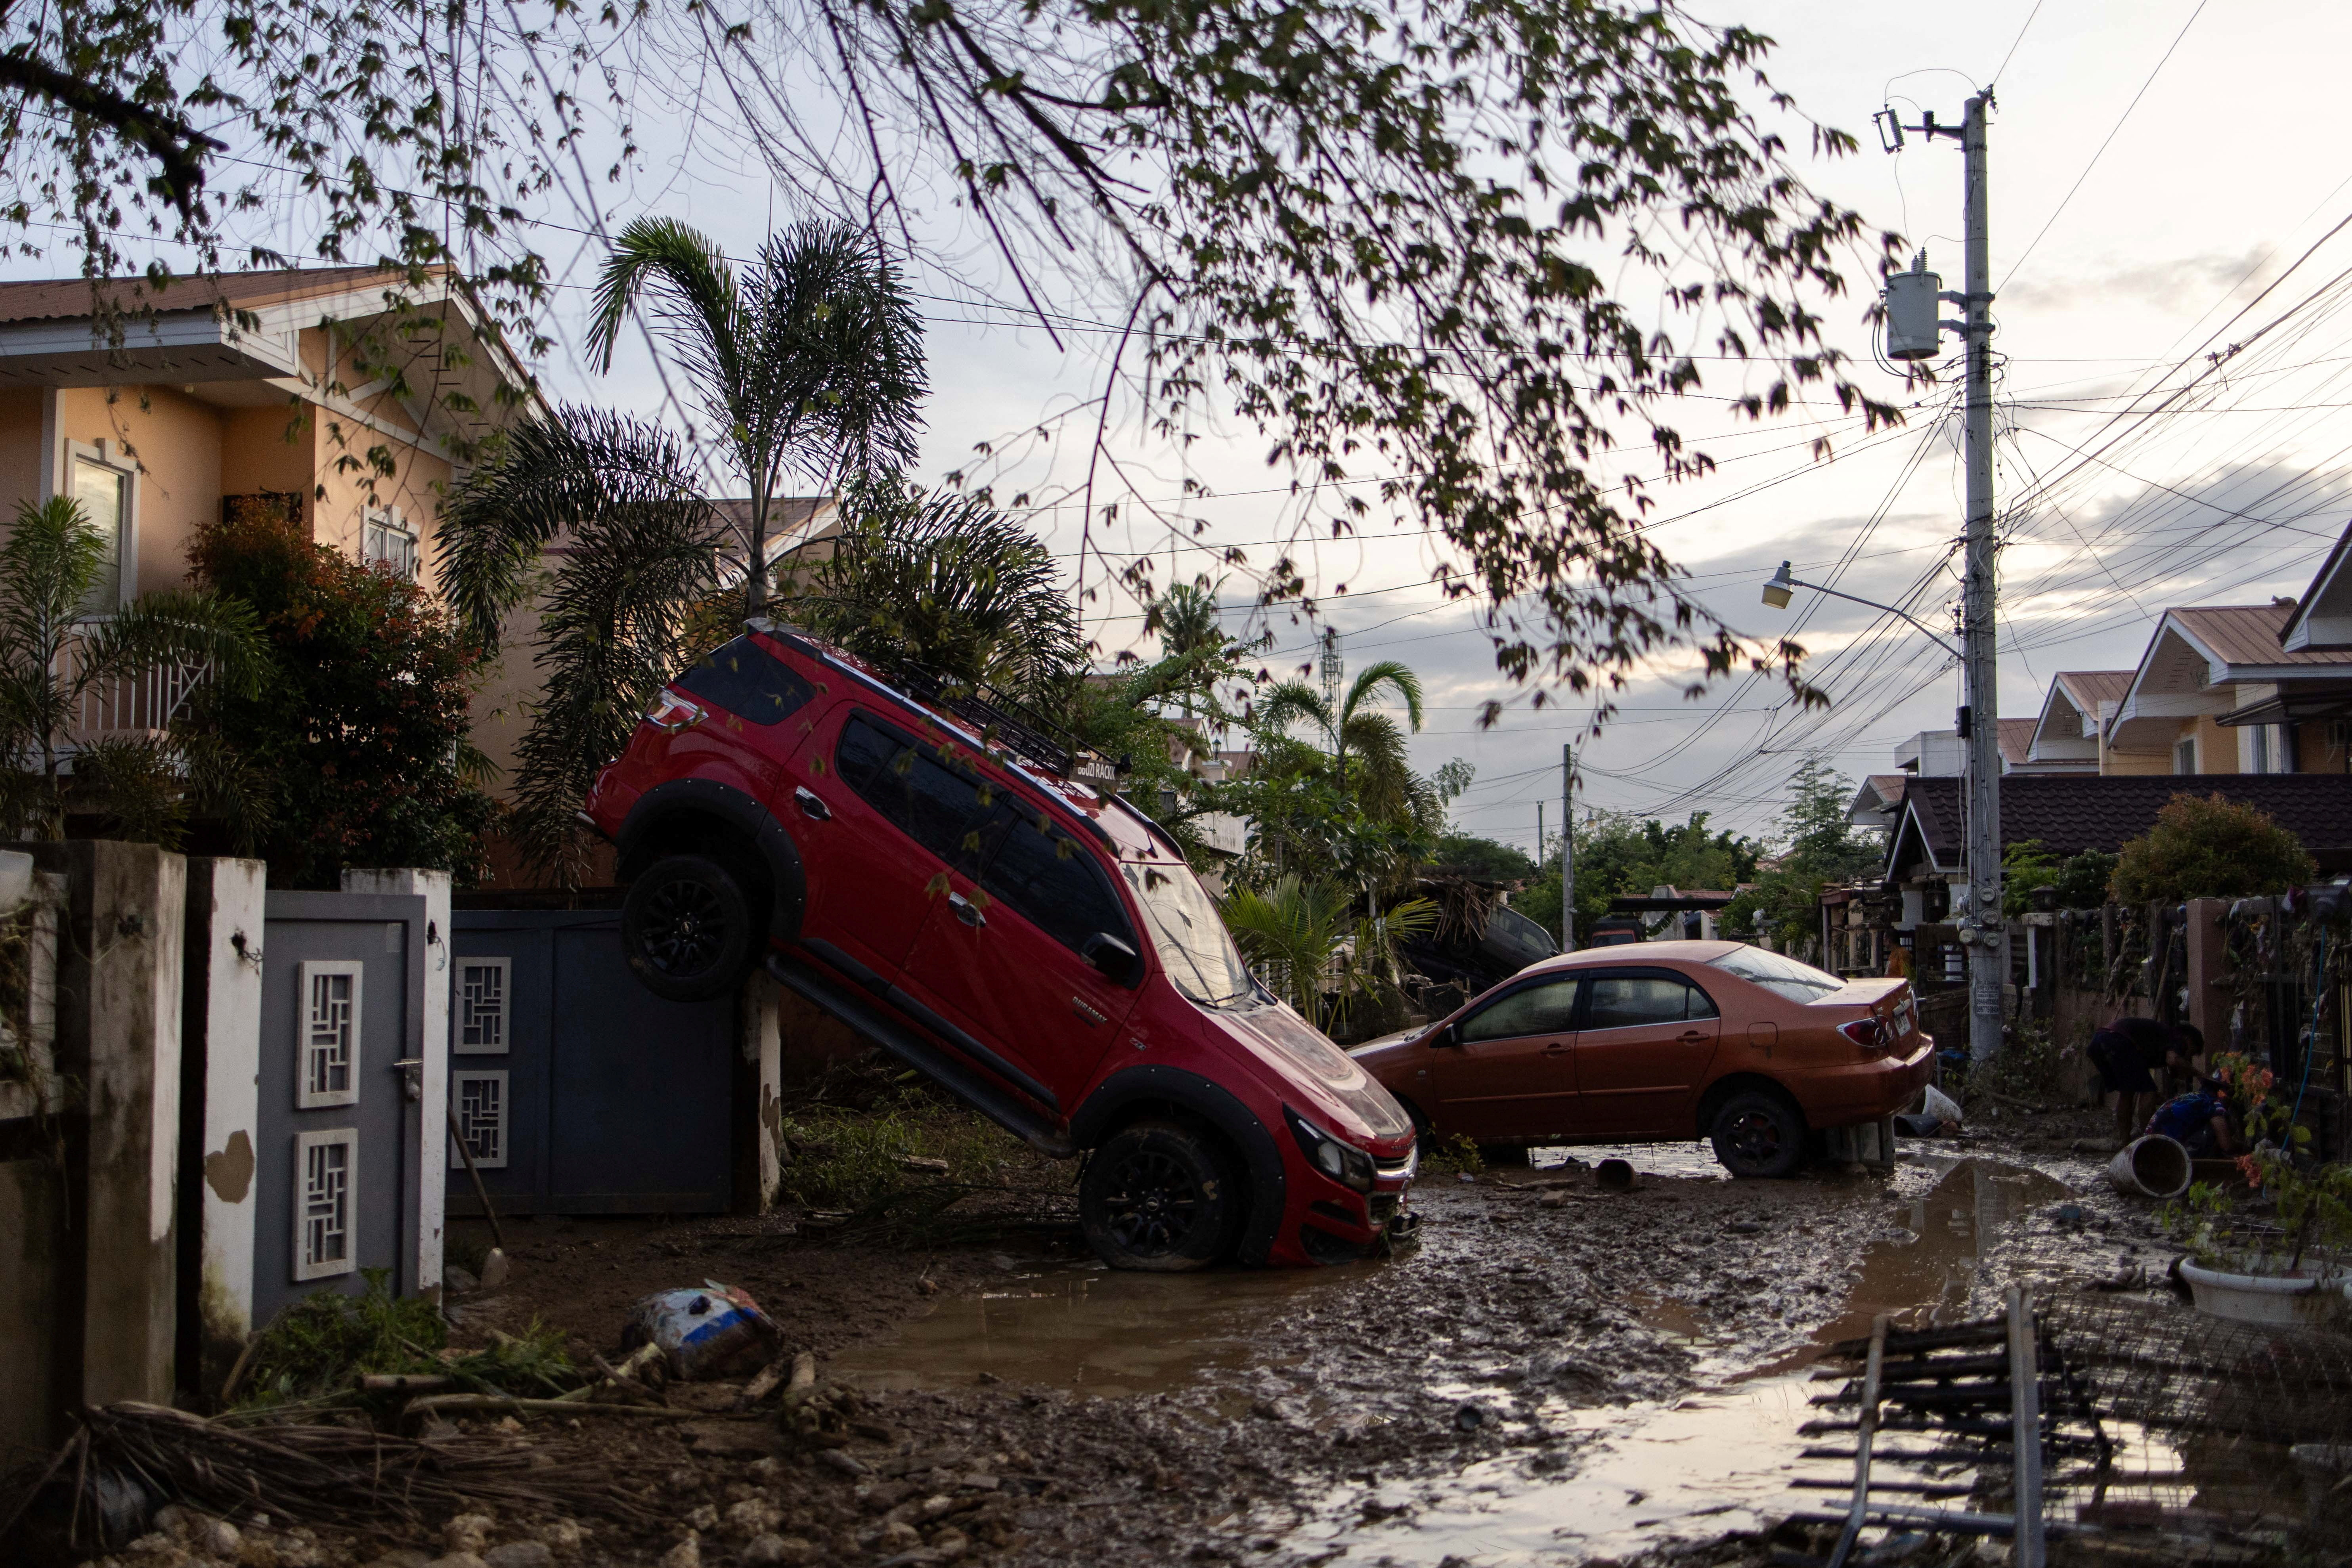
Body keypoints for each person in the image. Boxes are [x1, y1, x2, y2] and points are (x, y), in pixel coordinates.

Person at [2086, 1015, 2186, 1149]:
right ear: (2190, 1040)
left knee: (2127, 1093)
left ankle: (2125, 1142)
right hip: (2117, 1041)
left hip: (2098, 1042)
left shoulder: (2156, 1042)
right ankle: (2148, 1140)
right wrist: (2199, 1074)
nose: (2188, 1056)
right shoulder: (2177, 1040)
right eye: (2192, 1052)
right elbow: (2173, 1061)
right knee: (2148, 1090)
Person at [2147, 1082, 2235, 1158]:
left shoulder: (2192, 1097)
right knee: (2213, 1129)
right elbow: (2226, 1146)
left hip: (2149, 1143)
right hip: (2165, 1149)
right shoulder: (2213, 1103)